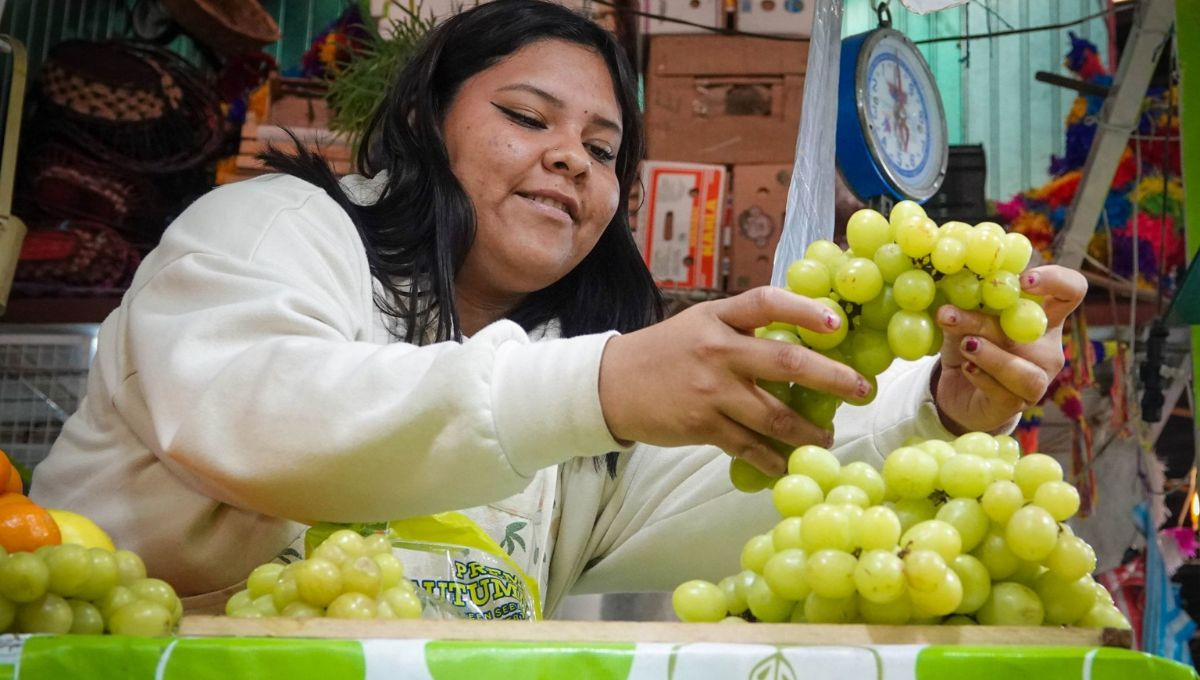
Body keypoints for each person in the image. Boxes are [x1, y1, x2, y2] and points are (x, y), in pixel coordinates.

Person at [30, 0, 1086, 618]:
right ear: (427, 122)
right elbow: (259, 411)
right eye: (527, 117)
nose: (568, 159)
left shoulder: (556, 371)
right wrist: (604, 383)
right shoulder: (273, 230)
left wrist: (933, 411)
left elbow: (730, 497)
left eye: (601, 148)